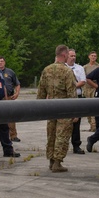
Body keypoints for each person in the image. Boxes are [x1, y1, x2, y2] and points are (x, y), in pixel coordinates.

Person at [37, 44, 77, 172]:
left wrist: (40, 108)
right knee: (62, 135)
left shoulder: (46, 70)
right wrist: (75, 112)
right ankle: (57, 162)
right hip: (64, 108)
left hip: (50, 108)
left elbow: (41, 91)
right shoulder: (67, 71)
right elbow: (72, 93)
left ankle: (51, 161)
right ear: (65, 55)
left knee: (51, 135)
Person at [66, 48, 87, 154]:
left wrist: (71, 87)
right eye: (71, 56)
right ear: (66, 56)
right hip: (64, 98)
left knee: (76, 123)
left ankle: (76, 145)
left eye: (74, 56)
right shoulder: (62, 68)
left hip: (76, 96)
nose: (73, 58)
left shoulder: (79, 68)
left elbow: (83, 81)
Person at [0, 56, 21, 142]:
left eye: (2, 61)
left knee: (11, 117)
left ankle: (13, 136)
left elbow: (17, 84)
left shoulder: (10, 72)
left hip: (9, 97)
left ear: (4, 62)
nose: (0, 63)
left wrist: (17, 93)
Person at [83, 51, 99, 131]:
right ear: (89, 56)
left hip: (94, 88)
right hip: (86, 88)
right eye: (92, 56)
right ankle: (90, 124)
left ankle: (94, 125)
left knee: (94, 106)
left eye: (95, 56)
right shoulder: (85, 67)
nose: (93, 57)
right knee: (87, 107)